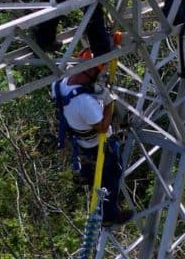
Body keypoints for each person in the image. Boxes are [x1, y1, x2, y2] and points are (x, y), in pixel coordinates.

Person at [52, 56, 134, 226]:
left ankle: (89, 174)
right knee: (112, 175)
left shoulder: (60, 84)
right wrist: (108, 102)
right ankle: (109, 216)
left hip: (79, 138)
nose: (100, 76)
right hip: (97, 144)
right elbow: (103, 127)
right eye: (98, 72)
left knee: (100, 171)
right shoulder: (84, 102)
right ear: (89, 71)